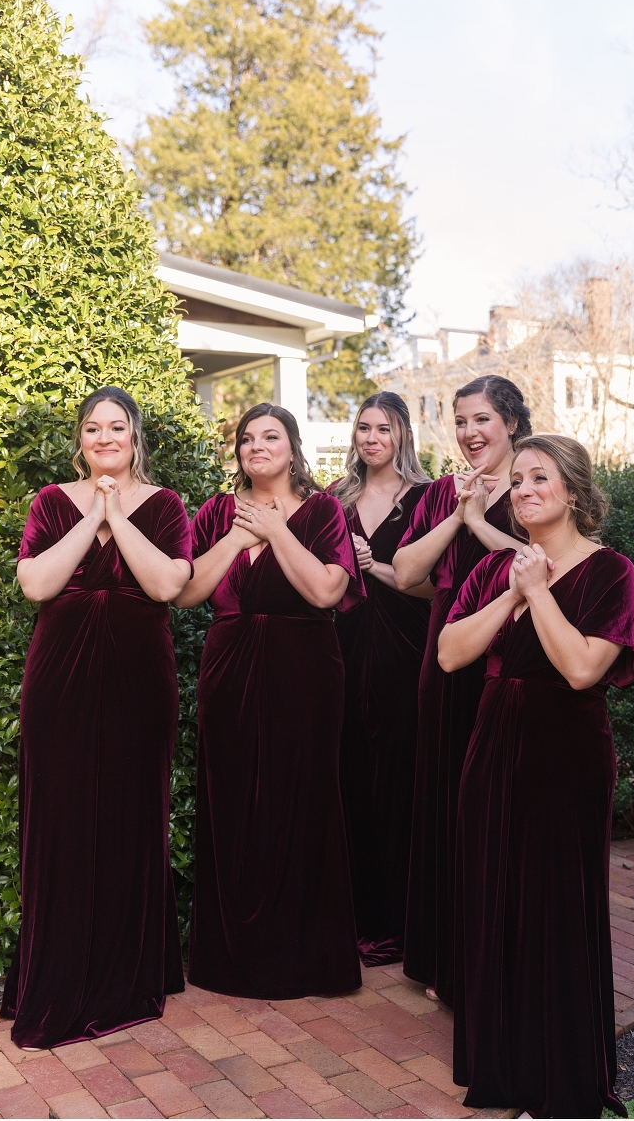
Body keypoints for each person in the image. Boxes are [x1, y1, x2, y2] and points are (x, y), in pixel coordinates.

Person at [439, 434, 634, 1119]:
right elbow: (450, 654)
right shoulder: (496, 572)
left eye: (542, 477)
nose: (526, 488)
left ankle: (560, 1079)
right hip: (492, 748)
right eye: (521, 478)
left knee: (557, 906)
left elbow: (581, 668)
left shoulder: (610, 572)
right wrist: (509, 595)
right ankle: (504, 1068)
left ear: (573, 491)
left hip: (566, 753)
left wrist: (539, 592)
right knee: (494, 900)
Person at [0, 387, 192, 1050]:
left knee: (130, 815)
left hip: (141, 683)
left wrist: (120, 511)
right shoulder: (52, 501)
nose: (105, 437)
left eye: (117, 427)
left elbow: (167, 585)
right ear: (79, 439)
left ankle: (125, 970)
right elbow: (37, 583)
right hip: (60, 684)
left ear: (135, 436)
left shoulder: (166, 505)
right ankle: (57, 974)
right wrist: (94, 513)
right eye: (92, 428)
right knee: (61, 819)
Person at [179, 403, 365, 999]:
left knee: (301, 800)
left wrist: (276, 528)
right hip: (229, 669)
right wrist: (237, 533)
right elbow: (187, 593)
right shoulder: (214, 513)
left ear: (293, 447)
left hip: (306, 672)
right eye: (246, 439)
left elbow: (326, 590)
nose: (257, 446)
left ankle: (304, 958)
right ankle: (231, 959)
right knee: (231, 802)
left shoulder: (324, 510)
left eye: (270, 436)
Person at [392, 375, 529, 1006]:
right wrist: (458, 515)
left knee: (500, 804)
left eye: (482, 420)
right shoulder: (442, 492)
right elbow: (407, 572)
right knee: (445, 797)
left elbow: (543, 570)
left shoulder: (535, 483)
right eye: (461, 421)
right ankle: (447, 960)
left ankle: (496, 959)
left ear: (510, 421)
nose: (470, 434)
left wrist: (484, 521)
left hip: (512, 656)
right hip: (445, 656)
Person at [330, 392, 433, 966]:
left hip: (403, 645)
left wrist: (380, 568)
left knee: (399, 777)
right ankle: (352, 918)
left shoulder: (424, 499)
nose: (372, 439)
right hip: (342, 647)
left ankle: (397, 922)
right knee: (347, 774)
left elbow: (438, 585)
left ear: (403, 435)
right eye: (364, 427)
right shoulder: (333, 499)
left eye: (384, 429)